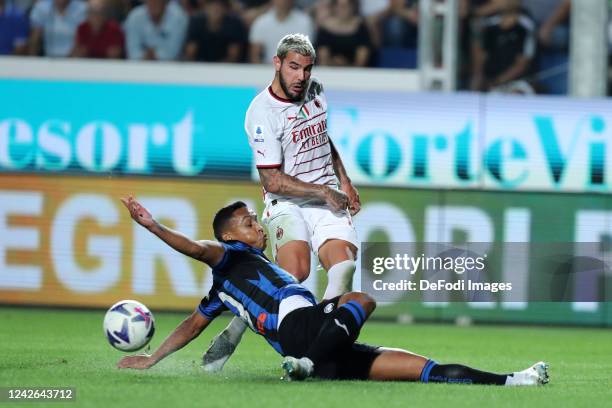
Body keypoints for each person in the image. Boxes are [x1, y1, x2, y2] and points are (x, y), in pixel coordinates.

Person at [117, 196, 549, 386]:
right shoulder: (227, 256)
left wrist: (152, 359)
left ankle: (515, 381)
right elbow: (194, 247)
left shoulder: (223, 292)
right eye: (250, 222)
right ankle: (304, 361)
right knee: (361, 298)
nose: (258, 226)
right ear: (231, 235)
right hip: (299, 331)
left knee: (422, 368)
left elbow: (192, 328)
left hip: (319, 345)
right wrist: (152, 225)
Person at [202, 33, 361, 372]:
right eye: (293, 67)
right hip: (286, 201)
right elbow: (271, 179)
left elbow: (322, 136)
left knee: (344, 268)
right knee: (295, 273)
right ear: (277, 64)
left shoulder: (315, 91)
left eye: (306, 68)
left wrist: (344, 179)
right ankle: (239, 324)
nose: (301, 76)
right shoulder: (262, 113)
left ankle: (314, 355)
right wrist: (323, 191)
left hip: (326, 198)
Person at [470, 0, 535, 92]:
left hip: (517, 82)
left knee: (515, 94)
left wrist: (498, 82)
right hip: (489, 81)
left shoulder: (526, 26)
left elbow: (523, 64)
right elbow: (481, 54)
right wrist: (479, 77)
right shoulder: (489, 25)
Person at [248, 0, 313, 64]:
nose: (283, 1)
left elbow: (306, 53)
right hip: (267, 69)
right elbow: (255, 54)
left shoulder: (305, 22)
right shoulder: (261, 22)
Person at [124, 0, 188, 61]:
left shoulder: (178, 17)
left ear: (165, 2)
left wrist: (155, 55)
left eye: (158, 1)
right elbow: (132, 52)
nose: (154, 2)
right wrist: (145, 56)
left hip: (171, 68)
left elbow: (173, 53)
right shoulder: (134, 17)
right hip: (139, 66)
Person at [316, 0, 372, 67]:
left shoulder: (361, 27)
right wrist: (334, 64)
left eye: (346, 6)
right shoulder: (325, 29)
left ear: (353, 7)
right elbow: (322, 60)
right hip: (329, 70)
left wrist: (345, 65)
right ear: (333, 7)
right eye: (339, 6)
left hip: (355, 72)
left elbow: (362, 60)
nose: (342, 9)